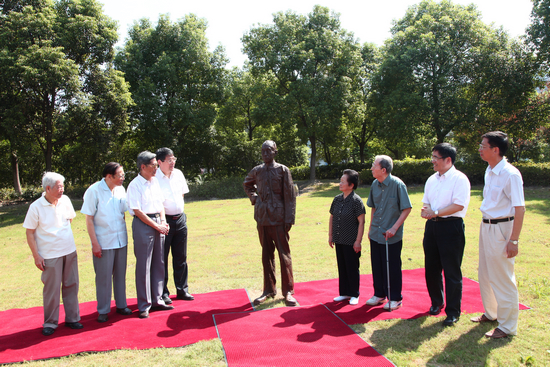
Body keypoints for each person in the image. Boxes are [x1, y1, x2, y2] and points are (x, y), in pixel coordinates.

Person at [470, 131, 525, 339]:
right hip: (486, 226)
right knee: (484, 272)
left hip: (503, 228)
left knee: (502, 276)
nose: (480, 149)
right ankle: (491, 313)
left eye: (483, 145)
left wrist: (514, 240)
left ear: (496, 149)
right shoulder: (489, 170)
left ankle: (507, 326)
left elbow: (520, 209)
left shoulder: (510, 174)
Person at [23, 172, 82, 336]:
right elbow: (29, 232)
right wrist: (36, 255)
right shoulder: (36, 207)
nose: (62, 189)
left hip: (69, 250)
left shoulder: (66, 201)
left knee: (71, 285)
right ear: (48, 188)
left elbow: (70, 219)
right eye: (59, 187)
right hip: (49, 254)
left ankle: (73, 318)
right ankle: (50, 322)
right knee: (52, 289)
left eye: (63, 186)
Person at [421, 143, 471, 326]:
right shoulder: (432, 179)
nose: (433, 161)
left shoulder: (460, 179)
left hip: (451, 227)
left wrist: (435, 212)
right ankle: (436, 302)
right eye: (432, 156)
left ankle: (453, 312)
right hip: (432, 227)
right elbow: (426, 202)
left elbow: (459, 205)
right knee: (431, 268)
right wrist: (426, 211)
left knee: (451, 270)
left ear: (448, 160)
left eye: (436, 157)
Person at [243, 140, 297, 307]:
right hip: (262, 218)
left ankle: (288, 291)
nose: (265, 154)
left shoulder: (282, 170)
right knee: (266, 254)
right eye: (263, 151)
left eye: (269, 151)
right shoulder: (257, 171)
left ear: (275, 152)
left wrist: (289, 218)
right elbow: (247, 183)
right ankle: (268, 289)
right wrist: (254, 198)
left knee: (284, 254)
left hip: (279, 218)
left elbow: (290, 195)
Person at [81, 162, 133, 322]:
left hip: (120, 240)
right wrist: (95, 243)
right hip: (103, 241)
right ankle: (103, 310)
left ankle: (121, 305)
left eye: (123, 175)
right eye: (120, 175)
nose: (123, 178)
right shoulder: (94, 191)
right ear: (109, 176)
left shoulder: (120, 189)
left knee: (120, 274)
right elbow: (89, 219)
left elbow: (123, 211)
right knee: (103, 277)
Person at [126, 151, 173, 319]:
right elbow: (137, 211)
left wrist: (163, 221)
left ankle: (157, 299)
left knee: (159, 262)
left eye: (156, 165)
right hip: (143, 224)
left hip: (157, 222)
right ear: (143, 167)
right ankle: (144, 304)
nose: (155, 168)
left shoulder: (155, 182)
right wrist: (156, 225)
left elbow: (160, 204)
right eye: (153, 165)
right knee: (144, 265)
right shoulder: (135, 185)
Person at [366, 155, 412, 311]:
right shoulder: (374, 184)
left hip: (391, 235)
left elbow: (407, 208)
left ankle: (395, 298)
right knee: (376, 264)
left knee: (392, 266)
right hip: (376, 232)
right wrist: (371, 227)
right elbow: (373, 207)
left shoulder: (398, 185)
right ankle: (379, 294)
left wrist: (394, 228)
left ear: (383, 170)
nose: (372, 168)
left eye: (374, 165)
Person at [156, 147, 194, 303]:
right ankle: (163, 292)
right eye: (169, 160)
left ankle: (182, 289)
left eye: (174, 159)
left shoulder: (178, 174)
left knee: (181, 257)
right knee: (162, 259)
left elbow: (182, 194)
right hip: (164, 221)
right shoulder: (154, 178)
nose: (172, 162)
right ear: (159, 162)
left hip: (180, 219)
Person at [329, 169, 366, 305]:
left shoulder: (356, 201)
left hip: (351, 240)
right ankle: (344, 293)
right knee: (342, 266)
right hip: (339, 238)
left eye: (343, 182)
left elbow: (361, 222)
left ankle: (354, 294)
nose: (340, 183)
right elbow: (332, 217)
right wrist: (330, 235)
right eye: (340, 181)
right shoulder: (337, 199)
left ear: (351, 185)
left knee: (352, 267)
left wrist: (358, 241)